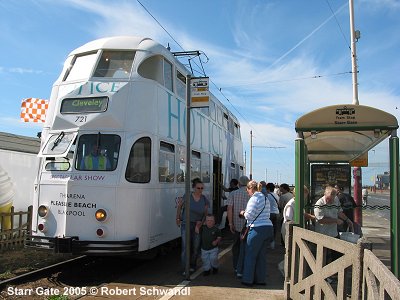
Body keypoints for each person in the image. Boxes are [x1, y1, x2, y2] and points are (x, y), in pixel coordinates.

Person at [239, 180, 273, 286]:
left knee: (250, 255)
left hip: (257, 229)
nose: (247, 192)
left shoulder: (254, 199)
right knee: (261, 256)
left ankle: (247, 280)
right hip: (268, 228)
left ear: (250, 189)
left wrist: (242, 212)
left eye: (247, 190)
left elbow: (249, 215)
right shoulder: (265, 198)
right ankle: (260, 279)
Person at [314, 186, 354, 270]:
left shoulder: (336, 199)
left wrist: (347, 220)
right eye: (328, 199)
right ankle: (320, 273)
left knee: (336, 253)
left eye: (332, 199)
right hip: (322, 233)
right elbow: (320, 220)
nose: (330, 201)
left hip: (333, 232)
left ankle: (334, 273)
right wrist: (335, 220)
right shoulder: (319, 203)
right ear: (324, 194)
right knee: (322, 254)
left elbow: (339, 212)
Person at [176, 178, 209, 275]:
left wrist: (200, 223)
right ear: (194, 188)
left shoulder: (204, 199)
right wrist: (177, 218)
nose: (200, 190)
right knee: (185, 246)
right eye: (198, 188)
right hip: (186, 224)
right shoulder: (187, 196)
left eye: (202, 188)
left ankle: (193, 265)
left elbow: (205, 215)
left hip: (197, 225)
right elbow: (179, 207)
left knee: (196, 247)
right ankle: (185, 268)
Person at [227, 175, 250, 276]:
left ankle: (236, 267)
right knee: (246, 247)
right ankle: (244, 267)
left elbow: (229, 209)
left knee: (236, 247)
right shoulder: (251, 194)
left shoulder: (233, 193)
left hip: (236, 224)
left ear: (238, 183)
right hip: (248, 225)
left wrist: (230, 223)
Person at [261, 182, 280, 249]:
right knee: (275, 229)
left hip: (269, 214)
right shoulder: (276, 195)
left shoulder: (266, 196)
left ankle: (268, 243)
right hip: (277, 213)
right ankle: (273, 243)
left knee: (268, 229)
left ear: (268, 188)